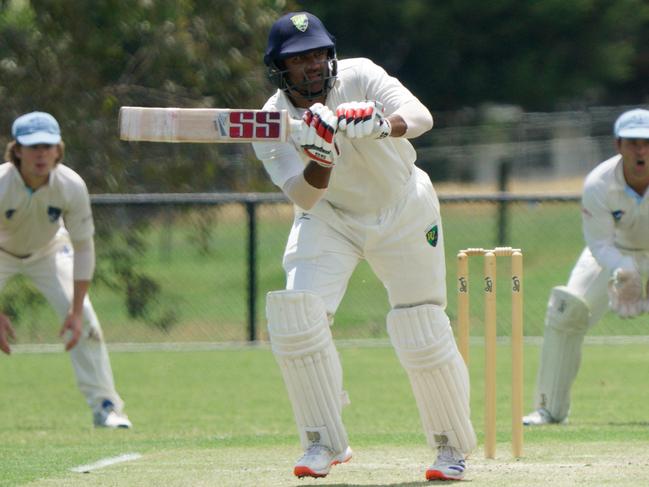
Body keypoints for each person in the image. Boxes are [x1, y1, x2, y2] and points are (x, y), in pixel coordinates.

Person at [252, 12, 476, 481]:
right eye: (299, 58)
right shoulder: (269, 122)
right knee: (296, 314)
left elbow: (421, 117)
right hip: (329, 219)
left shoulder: (361, 74)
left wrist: (381, 125)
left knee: (421, 323)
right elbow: (305, 195)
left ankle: (450, 446)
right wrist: (321, 158)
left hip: (404, 208)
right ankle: (322, 442)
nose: (313, 64)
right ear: (279, 67)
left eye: (318, 53)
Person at [0, 111, 131, 429]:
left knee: (86, 318)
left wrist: (73, 310)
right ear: (17, 150)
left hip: (49, 250)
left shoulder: (71, 185)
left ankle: (106, 406)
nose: (40, 153)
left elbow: (84, 247)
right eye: (32, 146)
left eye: (47, 145)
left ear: (59, 148)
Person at [523, 108, 649, 426]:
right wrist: (627, 271)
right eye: (633, 142)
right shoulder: (599, 183)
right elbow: (600, 244)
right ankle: (550, 409)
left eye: (647, 142)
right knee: (567, 310)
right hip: (612, 252)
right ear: (618, 145)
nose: (642, 150)